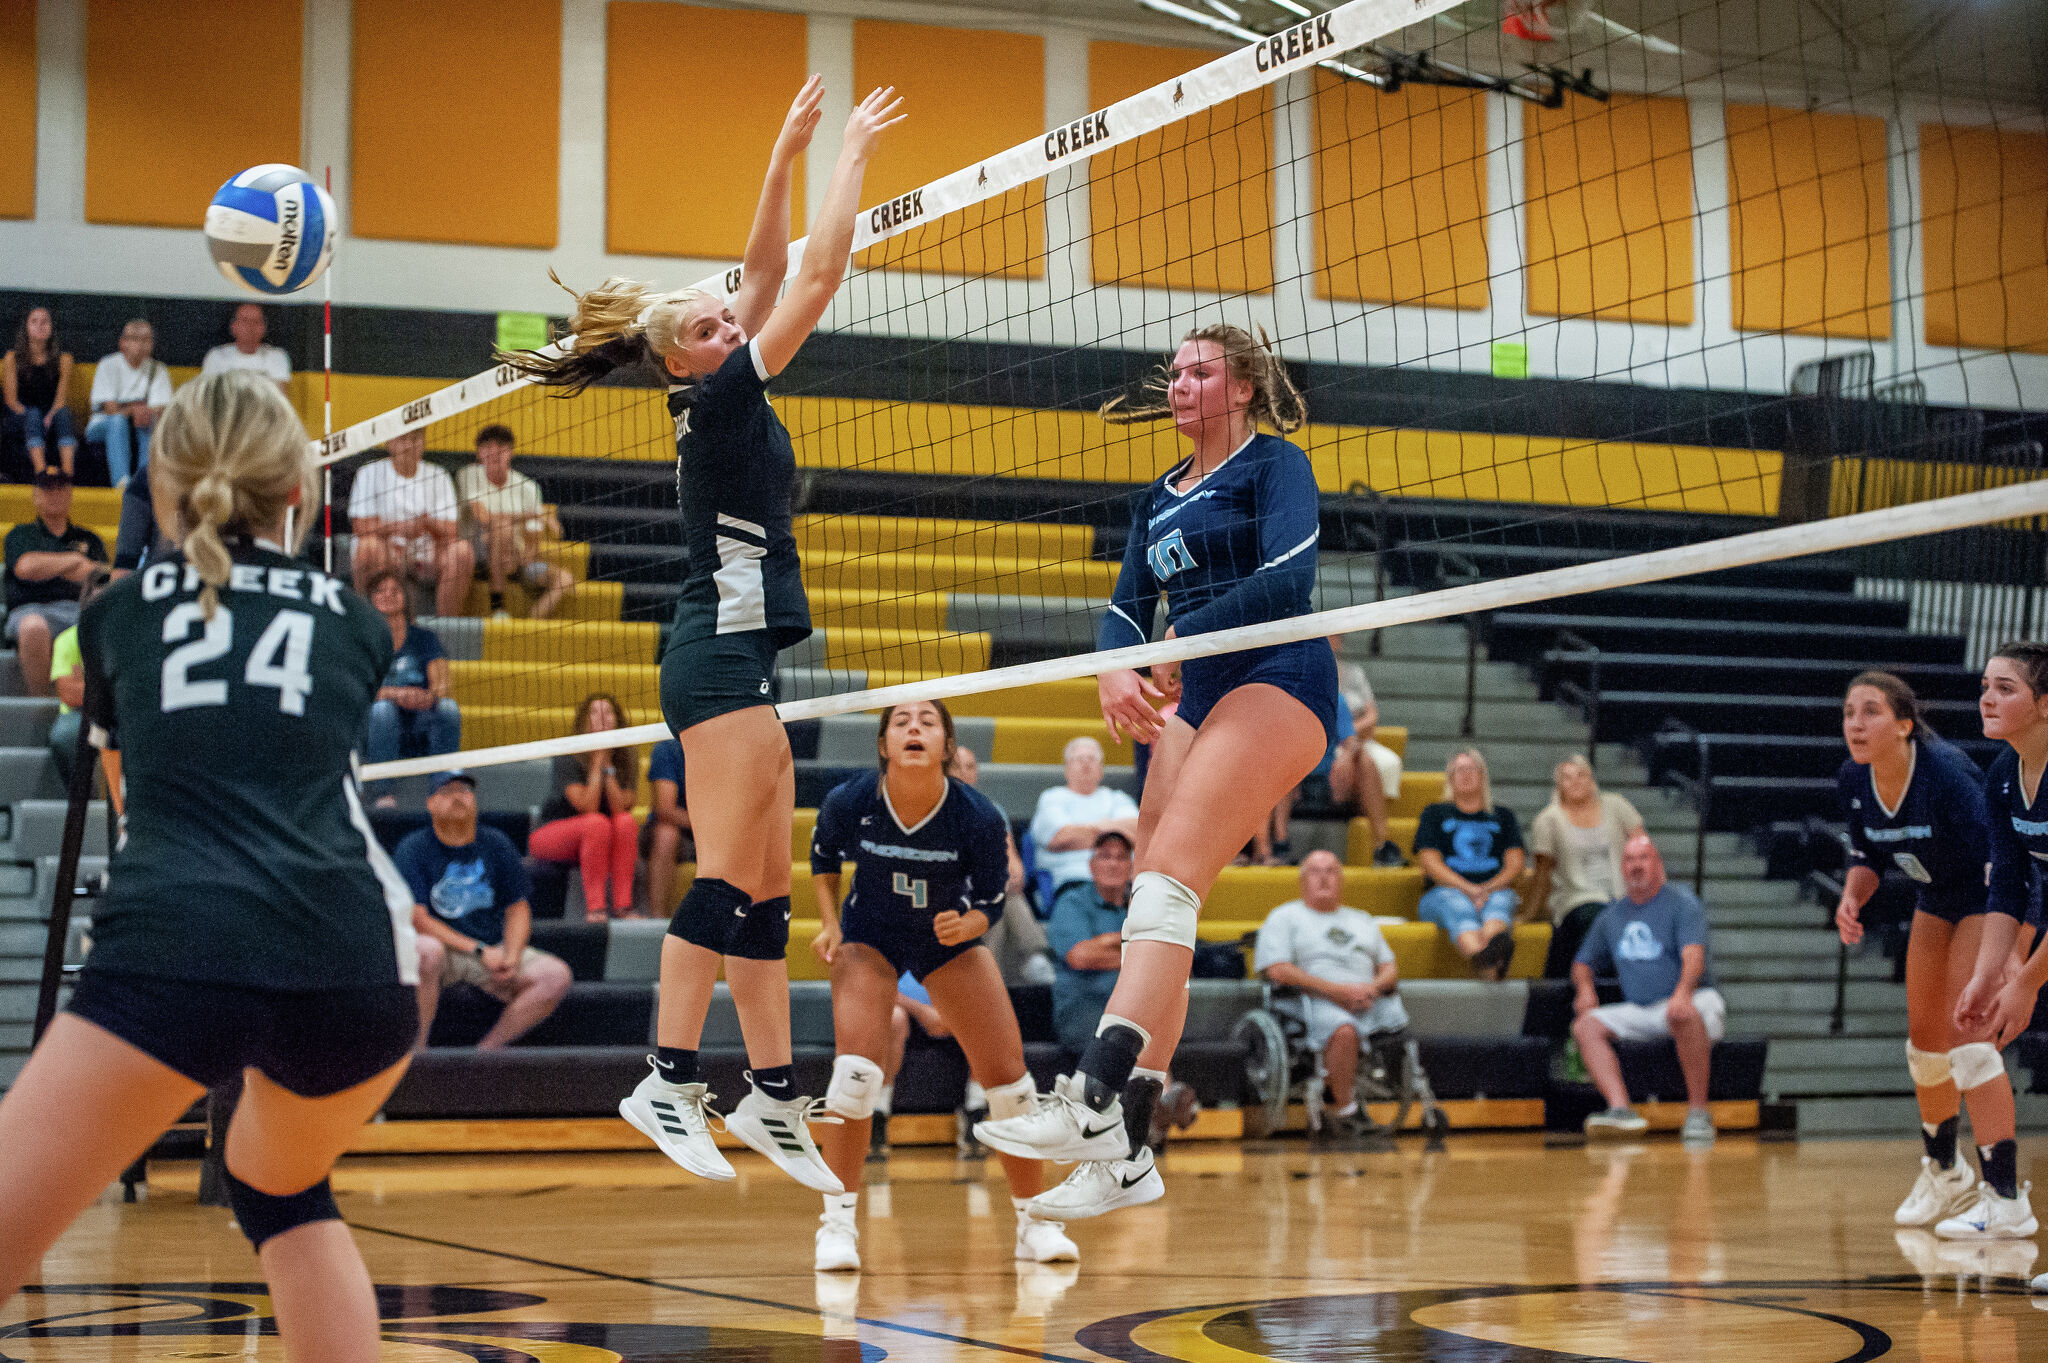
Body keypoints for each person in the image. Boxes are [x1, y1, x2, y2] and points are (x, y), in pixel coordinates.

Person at [502, 76, 901, 1194]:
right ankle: (666, 1076)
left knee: (765, 894)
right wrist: (849, 157)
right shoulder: (721, 397)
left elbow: (765, 272)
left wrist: (779, 151)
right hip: (714, 658)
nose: (731, 323)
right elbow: (813, 274)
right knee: (727, 883)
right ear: (681, 357)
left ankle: (772, 1094)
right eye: (710, 324)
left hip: (737, 659)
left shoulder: (715, 383)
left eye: (726, 318)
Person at [0, 370, 419, 1359]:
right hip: (357, 971)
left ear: (162, 486)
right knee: (282, 1189)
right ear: (298, 494)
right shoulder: (360, 621)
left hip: (179, 945)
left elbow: (128, 732)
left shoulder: (113, 614)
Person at [977, 322, 1333, 1224]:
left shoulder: (1273, 466)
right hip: (1199, 694)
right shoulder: (1159, 495)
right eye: (1174, 372)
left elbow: (1291, 576)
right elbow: (1124, 608)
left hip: (1279, 676)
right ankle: (1131, 1149)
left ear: (1243, 387)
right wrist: (1114, 664)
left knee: (1167, 878)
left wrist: (1186, 638)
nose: (1179, 385)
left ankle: (1092, 1094)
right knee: (1153, 902)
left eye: (1200, 372)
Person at [808, 701, 1077, 1272]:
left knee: (1012, 1085)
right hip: (869, 936)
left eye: (927, 722)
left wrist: (974, 923)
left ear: (947, 748)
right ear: (883, 744)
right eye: (901, 721)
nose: (913, 728)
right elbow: (824, 862)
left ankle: (1034, 1223)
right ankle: (836, 1226)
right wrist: (830, 922)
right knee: (854, 1076)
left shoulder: (978, 816)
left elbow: (992, 899)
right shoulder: (849, 802)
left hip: (944, 938)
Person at [400, 770, 572, 1050]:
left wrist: (513, 956)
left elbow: (517, 908)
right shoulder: (414, 848)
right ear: (430, 803)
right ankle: (417, 1059)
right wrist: (479, 950)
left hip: (492, 950)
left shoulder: (496, 843)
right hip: (448, 952)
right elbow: (418, 919)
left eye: (465, 791)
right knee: (424, 951)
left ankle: (483, 1057)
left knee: (555, 975)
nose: (458, 797)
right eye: (447, 791)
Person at [1573, 835, 1724, 1144]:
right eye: (1629, 860)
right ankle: (1620, 1110)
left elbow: (1693, 956)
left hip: (1693, 996)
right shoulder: (1611, 916)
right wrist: (1585, 989)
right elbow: (1582, 962)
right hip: (1643, 1008)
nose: (1636, 866)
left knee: (1684, 1013)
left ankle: (1698, 1113)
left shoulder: (1682, 903)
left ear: (1658, 865)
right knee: (1586, 1026)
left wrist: (1682, 994)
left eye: (1643, 859)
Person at [1254, 850, 1411, 1137]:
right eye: (1316, 871)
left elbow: (1389, 966)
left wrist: (1371, 988)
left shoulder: (1361, 919)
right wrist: (1338, 992)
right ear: (1302, 881)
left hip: (1368, 998)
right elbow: (1278, 970)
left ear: (1341, 880)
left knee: (1397, 1021)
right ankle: (1346, 1109)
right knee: (1343, 1029)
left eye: (1331, 871)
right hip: (1314, 1001)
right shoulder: (1285, 917)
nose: (1324, 877)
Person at [1413, 748, 1525, 980]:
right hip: (1443, 893)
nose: (1465, 774)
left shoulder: (1503, 815)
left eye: (1471, 768)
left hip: (1494, 890)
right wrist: (1469, 889)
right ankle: (1490, 961)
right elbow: (1430, 864)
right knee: (1458, 905)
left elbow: (1515, 864)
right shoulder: (1435, 813)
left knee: (1500, 903)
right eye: (1458, 770)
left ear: (1483, 775)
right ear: (1450, 778)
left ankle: (1487, 962)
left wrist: (1488, 888)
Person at [1529, 756, 1645, 978]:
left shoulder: (1616, 805)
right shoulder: (1548, 820)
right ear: (1559, 785)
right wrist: (1531, 912)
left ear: (1592, 779)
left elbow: (1644, 852)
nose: (1575, 782)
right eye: (1567, 778)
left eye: (1581, 775)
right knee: (1600, 917)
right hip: (1577, 899)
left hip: (1623, 895)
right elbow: (1542, 873)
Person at [528, 693, 641, 922]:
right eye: (595, 712)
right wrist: (598, 758)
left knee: (626, 822)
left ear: (618, 721)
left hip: (600, 836)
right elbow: (588, 806)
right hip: (552, 834)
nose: (602, 718)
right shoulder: (568, 755)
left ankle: (623, 907)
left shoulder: (626, 757)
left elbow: (622, 809)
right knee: (596, 822)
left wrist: (607, 766)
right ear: (583, 721)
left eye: (608, 712)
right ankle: (596, 909)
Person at [950, 744, 1052, 987]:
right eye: (956, 766)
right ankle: (1034, 957)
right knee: (998, 900)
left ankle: (986, 981)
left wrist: (1001, 877)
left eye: (970, 766)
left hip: (989, 893)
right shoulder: (935, 811)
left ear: (976, 774)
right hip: (953, 896)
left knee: (1001, 899)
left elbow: (1015, 870)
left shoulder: (992, 810)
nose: (963, 772)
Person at [4, 468, 110, 698]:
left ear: (70, 494)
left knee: (107, 622)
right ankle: (41, 704)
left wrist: (48, 566)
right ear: (35, 496)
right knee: (33, 627)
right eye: (47, 488)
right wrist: (73, 560)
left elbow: (99, 576)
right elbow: (25, 568)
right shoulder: (20, 535)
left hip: (79, 608)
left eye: (61, 488)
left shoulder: (89, 538)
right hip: (30, 609)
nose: (55, 493)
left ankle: (94, 704)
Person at [346, 429, 474, 619]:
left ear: (423, 442)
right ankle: (372, 626)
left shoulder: (438, 475)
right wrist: (399, 528)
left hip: (427, 550)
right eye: (402, 438)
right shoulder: (369, 472)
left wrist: (425, 524)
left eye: (414, 439)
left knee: (462, 551)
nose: (408, 445)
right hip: (387, 547)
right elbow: (361, 526)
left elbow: (451, 529)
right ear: (390, 442)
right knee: (368, 547)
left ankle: (447, 629)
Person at [457, 424, 573, 620]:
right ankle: (498, 607)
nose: (494, 452)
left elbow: (533, 540)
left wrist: (520, 557)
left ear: (510, 452)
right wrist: (533, 515)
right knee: (501, 528)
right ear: (478, 453)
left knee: (565, 579)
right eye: (487, 447)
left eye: (501, 447)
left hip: (515, 561)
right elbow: (484, 518)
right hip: (477, 558)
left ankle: (530, 625)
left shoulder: (528, 487)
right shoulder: (469, 475)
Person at [360, 569, 461, 787]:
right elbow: (359, 689)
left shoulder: (425, 638)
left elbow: (443, 685)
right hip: (376, 726)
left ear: (405, 598)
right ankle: (382, 791)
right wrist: (397, 694)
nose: (388, 594)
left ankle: (444, 786)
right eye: (380, 591)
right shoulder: (363, 641)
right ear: (370, 599)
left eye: (396, 590)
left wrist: (428, 697)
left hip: (419, 723)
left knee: (448, 708)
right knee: (382, 710)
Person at [1046, 831, 1135, 1053]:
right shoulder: (1072, 901)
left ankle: (1161, 1084)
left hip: (1134, 1008)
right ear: (1091, 865)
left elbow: (1168, 961)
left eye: (1121, 857)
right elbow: (1080, 956)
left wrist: (1106, 942)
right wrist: (1133, 949)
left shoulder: (1140, 905)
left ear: (1131, 867)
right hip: (1086, 1007)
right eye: (1105, 856)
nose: (1113, 864)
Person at [1029, 736, 1139, 899]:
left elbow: (1139, 832)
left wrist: (1086, 831)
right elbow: (1060, 838)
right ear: (1066, 769)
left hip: (1123, 887)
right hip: (1072, 883)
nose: (1086, 763)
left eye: (1092, 759)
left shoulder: (1118, 798)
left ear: (1101, 770)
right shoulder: (1053, 797)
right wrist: (1114, 833)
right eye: (1079, 759)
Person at [45, 568, 114, 788]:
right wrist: (115, 689)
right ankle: (83, 800)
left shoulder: (132, 639)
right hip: (80, 715)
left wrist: (89, 686)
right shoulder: (67, 640)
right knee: (64, 736)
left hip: (122, 712)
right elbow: (70, 694)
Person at [85, 319, 172, 487]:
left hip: (141, 424)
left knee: (152, 421)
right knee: (118, 421)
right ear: (122, 343)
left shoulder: (158, 369)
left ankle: (143, 482)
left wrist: (141, 411)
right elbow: (109, 408)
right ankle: (122, 483)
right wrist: (134, 410)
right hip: (102, 425)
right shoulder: (108, 365)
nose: (141, 344)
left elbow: (160, 408)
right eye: (135, 339)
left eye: (146, 339)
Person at [4, 306, 78, 478]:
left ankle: (68, 473)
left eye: (45, 322)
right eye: (34, 322)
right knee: (33, 414)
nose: (40, 326)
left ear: (52, 328)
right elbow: (11, 401)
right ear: (26, 328)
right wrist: (34, 417)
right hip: (21, 416)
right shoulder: (12, 358)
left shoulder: (64, 360)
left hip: (51, 414)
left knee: (64, 413)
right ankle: (41, 471)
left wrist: (50, 416)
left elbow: (61, 399)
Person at [642, 736, 694, 919]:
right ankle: (659, 922)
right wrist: (710, 825)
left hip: (715, 831)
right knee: (666, 834)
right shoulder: (668, 748)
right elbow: (665, 810)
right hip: (685, 831)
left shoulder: (726, 749)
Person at [201, 304, 292, 391]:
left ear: (264, 327)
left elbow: (279, 401)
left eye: (256, 321)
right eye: (245, 320)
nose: (250, 326)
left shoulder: (277, 357)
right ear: (233, 327)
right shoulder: (217, 356)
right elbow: (209, 398)